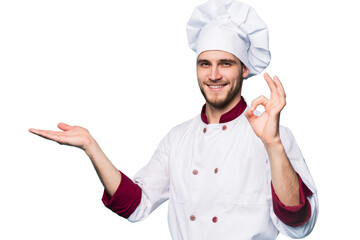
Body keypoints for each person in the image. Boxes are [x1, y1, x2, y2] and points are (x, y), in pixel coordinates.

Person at [29, 0, 318, 239]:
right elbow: (135, 205)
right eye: (205, 64)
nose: (214, 75)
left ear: (244, 70)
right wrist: (91, 146)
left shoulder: (274, 137)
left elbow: (299, 222)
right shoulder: (178, 138)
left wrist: (273, 143)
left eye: (225, 64)